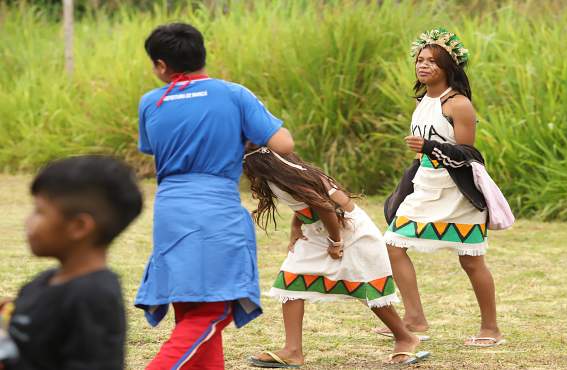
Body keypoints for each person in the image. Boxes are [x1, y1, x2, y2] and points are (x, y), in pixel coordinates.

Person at [135, 23, 294, 369]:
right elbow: (283, 143)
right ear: (200, 53)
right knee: (217, 307)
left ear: (161, 65)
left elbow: (152, 146)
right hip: (215, 208)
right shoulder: (234, 94)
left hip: (171, 208)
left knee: (191, 306)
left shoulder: (150, 102)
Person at [243, 144, 429, 367]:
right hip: (320, 231)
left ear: (258, 164)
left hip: (350, 232)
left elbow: (324, 206)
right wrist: (296, 228)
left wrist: (336, 242)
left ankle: (405, 337)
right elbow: (305, 205)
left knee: (366, 288)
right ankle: (293, 350)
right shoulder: (283, 174)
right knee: (290, 281)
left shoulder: (286, 176)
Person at [376, 27, 505, 347]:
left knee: (471, 259)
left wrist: (432, 147)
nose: (424, 65)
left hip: (456, 193)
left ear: (449, 68)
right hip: (426, 186)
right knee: (393, 243)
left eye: (433, 61)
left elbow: (469, 154)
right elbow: (423, 155)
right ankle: (415, 319)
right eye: (420, 60)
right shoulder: (423, 101)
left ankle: (491, 328)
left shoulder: (458, 104)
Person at [1, 155, 143, 370]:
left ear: (79, 227)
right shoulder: (44, 282)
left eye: (39, 211)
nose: (27, 222)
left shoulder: (93, 297)